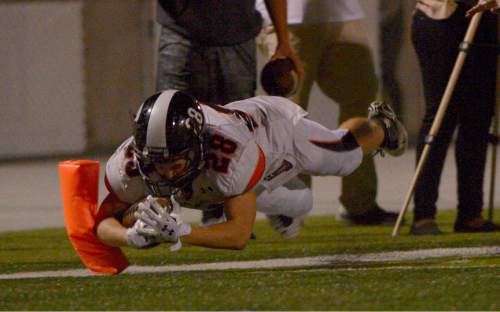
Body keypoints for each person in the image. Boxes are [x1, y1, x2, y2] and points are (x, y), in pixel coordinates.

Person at [95, 89, 408, 250]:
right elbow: (101, 223)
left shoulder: (230, 156)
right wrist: (129, 237)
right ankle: (282, 200)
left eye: (174, 161)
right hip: (234, 167)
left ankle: (380, 125)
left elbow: (239, 234)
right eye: (156, 161)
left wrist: (185, 232)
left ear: (198, 145)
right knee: (295, 202)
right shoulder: (132, 162)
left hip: (276, 134)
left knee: (345, 157)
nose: (165, 172)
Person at [155, 0, 302, 226]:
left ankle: (233, 214)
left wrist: (283, 40)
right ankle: (159, 213)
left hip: (237, 35)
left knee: (239, 133)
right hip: (183, 33)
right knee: (167, 124)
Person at [256, 0, 399, 225]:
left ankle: (359, 202)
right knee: (289, 113)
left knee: (362, 99)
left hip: (342, 13)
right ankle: (289, 205)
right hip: (291, 18)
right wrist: (282, 37)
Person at [410, 0, 500, 234]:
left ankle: (471, 214)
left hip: (487, 19)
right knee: (442, 116)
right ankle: (424, 215)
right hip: (441, 19)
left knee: (478, 119)